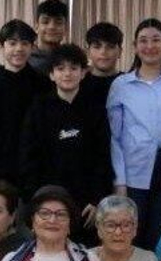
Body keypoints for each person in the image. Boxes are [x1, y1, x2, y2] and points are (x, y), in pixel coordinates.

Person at [108, 18, 161, 249]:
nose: (150, 46)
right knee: (129, 237)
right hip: (134, 172)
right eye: (143, 41)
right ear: (135, 46)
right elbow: (115, 138)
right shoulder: (121, 85)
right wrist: (120, 181)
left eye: (156, 40)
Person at [19, 45, 113, 244]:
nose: (67, 74)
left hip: (86, 206)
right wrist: (38, 201)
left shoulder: (95, 109)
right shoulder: (38, 109)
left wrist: (97, 200)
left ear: (83, 73)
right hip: (48, 203)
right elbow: (28, 158)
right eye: (60, 69)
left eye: (73, 68)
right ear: (51, 75)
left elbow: (102, 158)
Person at [0, 19, 51, 189]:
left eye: (25, 43)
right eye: (12, 43)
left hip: (38, 173)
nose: (19, 49)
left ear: (32, 47)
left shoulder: (44, 84)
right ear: (1, 47)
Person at [82, 21, 125, 101]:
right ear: (88, 52)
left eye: (110, 47)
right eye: (97, 47)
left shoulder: (128, 83)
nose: (103, 52)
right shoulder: (78, 83)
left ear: (120, 52)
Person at [27, 0, 70, 74]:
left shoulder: (72, 59)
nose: (52, 27)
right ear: (37, 27)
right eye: (45, 22)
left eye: (58, 22)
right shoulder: (25, 59)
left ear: (65, 29)